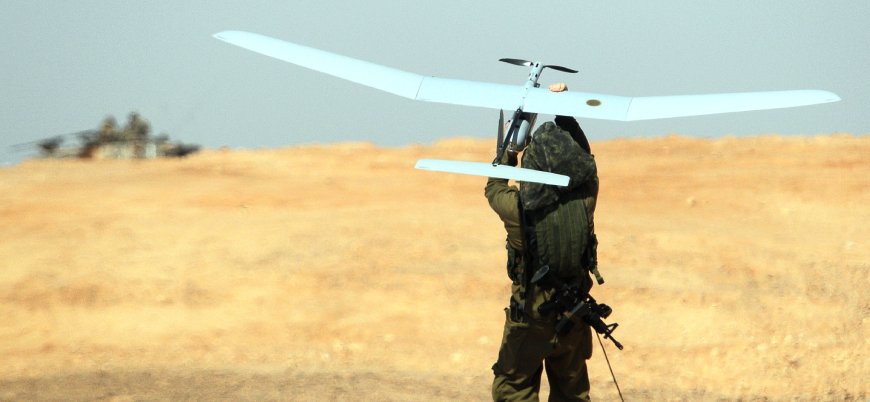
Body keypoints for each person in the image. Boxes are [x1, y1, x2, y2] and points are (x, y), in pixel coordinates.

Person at [485, 83, 600, 401]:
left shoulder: (519, 210)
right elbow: (587, 163)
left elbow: (494, 187)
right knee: (572, 394)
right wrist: (565, 113)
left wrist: (510, 149)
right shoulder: (585, 200)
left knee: (514, 390)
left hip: (530, 321)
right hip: (572, 319)